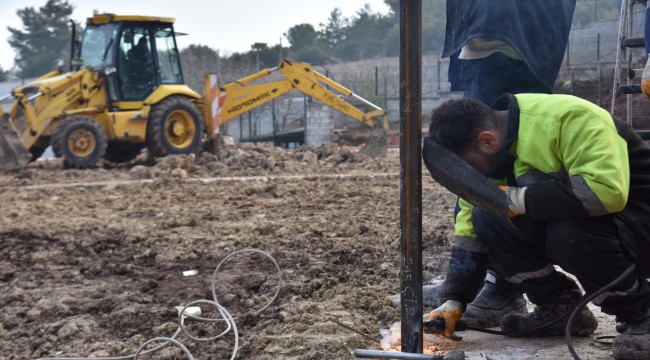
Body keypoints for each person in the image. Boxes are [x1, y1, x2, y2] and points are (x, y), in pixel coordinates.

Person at [424, 93, 650, 360]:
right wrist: (456, 299)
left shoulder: (569, 119)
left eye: (472, 167)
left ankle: (640, 315)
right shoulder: (492, 154)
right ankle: (559, 305)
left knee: (567, 232)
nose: (475, 177)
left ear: (487, 141)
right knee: (487, 218)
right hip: (602, 228)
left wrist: (517, 199)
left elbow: (605, 192)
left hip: (639, 221)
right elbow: (468, 235)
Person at [432, 0, 577, 328]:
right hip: (487, 38)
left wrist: (519, 200)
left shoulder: (554, 122)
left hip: (507, 38)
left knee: (491, 188)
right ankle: (488, 284)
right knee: (481, 192)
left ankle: (504, 287)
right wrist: (457, 293)